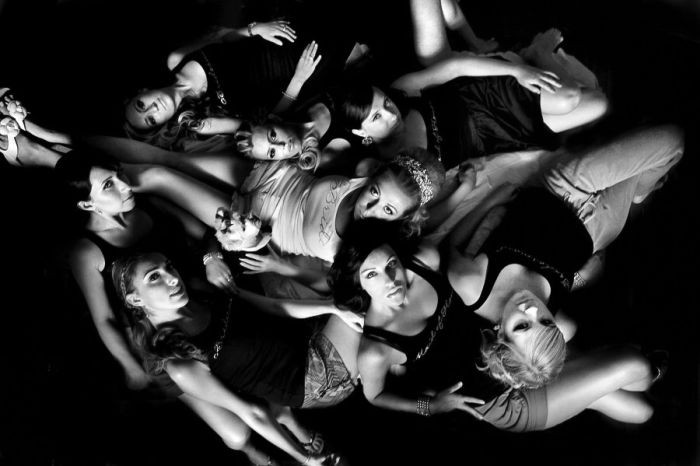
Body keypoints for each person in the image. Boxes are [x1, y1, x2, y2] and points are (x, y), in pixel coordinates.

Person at [330, 218, 663, 432]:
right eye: (371, 275)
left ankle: (628, 381)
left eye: (391, 264)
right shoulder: (376, 350)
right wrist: (429, 407)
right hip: (505, 400)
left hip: (519, 347)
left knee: (624, 391)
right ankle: (650, 372)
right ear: (358, 283)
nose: (390, 280)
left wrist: (487, 199)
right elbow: (375, 396)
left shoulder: (423, 262)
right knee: (638, 384)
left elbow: (457, 247)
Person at [112, 252, 364, 464]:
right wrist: (305, 459)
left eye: (169, 267)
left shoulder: (199, 292)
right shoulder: (179, 362)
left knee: (347, 296)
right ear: (135, 299)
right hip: (312, 378)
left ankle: (288, 412)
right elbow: (251, 413)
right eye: (154, 277)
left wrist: (331, 307)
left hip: (305, 337)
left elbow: (273, 306)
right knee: (360, 297)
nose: (173, 279)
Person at [337, 28, 608, 170]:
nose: (391, 113)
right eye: (376, 117)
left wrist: (518, 71)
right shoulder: (393, 164)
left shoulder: (401, 90)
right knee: (599, 103)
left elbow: (456, 68)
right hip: (495, 137)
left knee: (568, 98)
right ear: (361, 132)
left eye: (385, 103)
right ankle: (538, 58)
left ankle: (539, 52)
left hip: (482, 97)